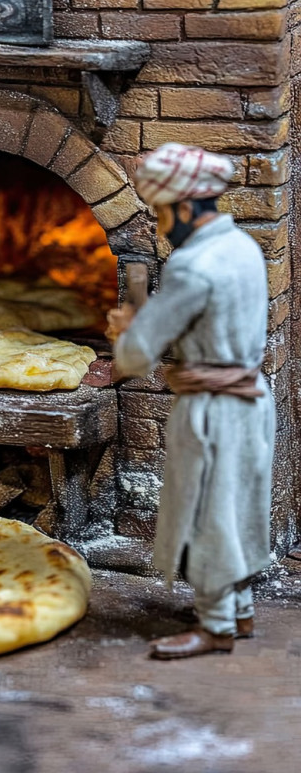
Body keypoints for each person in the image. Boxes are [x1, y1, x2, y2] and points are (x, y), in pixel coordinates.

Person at [107, 142, 274, 660]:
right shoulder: (242, 246)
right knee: (237, 506)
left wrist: (126, 328)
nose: (160, 225)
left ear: (183, 207)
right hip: (252, 399)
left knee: (207, 514)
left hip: (212, 411)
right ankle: (239, 609)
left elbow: (135, 357)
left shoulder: (191, 265)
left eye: (160, 212)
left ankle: (215, 625)